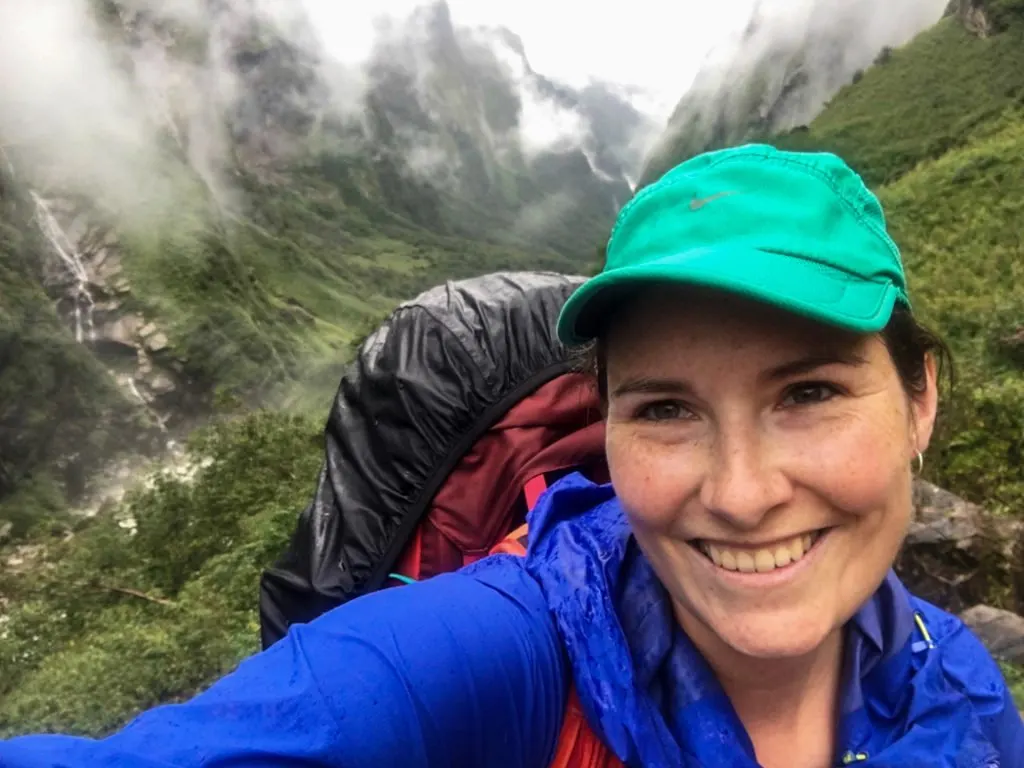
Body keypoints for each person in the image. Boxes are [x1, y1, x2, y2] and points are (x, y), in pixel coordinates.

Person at [1, 143, 1021, 767]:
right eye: (666, 409)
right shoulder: (499, 656)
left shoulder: (956, 685)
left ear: (919, 399)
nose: (743, 493)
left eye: (807, 393)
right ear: (609, 423)